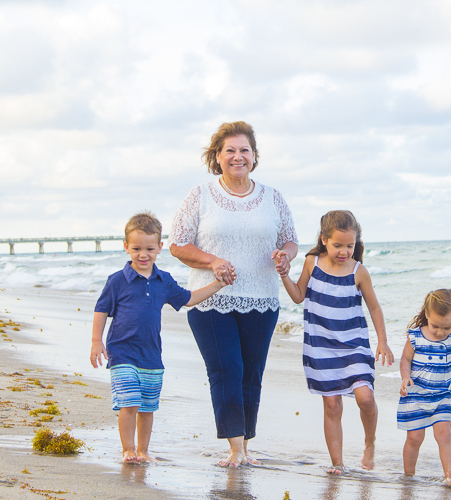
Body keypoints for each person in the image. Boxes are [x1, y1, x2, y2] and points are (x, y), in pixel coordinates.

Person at [169, 121, 298, 468]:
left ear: (254, 156)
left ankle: (245, 447)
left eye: (244, 150)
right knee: (226, 368)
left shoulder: (272, 197)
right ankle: (234, 449)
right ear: (217, 157)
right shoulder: (201, 195)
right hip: (210, 299)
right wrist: (212, 261)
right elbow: (177, 245)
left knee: (251, 373)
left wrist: (285, 255)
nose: (238, 156)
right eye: (230, 150)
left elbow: (290, 239)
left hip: (262, 298)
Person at [90, 211, 226, 464]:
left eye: (150, 249)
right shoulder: (117, 281)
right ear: (126, 247)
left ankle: (143, 451)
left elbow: (189, 299)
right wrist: (96, 341)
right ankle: (127, 450)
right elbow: (101, 310)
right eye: (137, 248)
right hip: (122, 353)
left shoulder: (164, 281)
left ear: (160, 247)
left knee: (147, 407)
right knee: (129, 403)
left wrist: (218, 285)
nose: (143, 254)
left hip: (151, 356)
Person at [279, 210, 394, 473]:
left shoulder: (359, 271)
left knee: (365, 397)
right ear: (324, 240)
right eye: (338, 245)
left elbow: (375, 308)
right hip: (321, 346)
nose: (344, 252)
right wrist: (284, 275)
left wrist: (382, 342)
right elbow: (298, 296)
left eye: (350, 246)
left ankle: (369, 443)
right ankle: (338, 464)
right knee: (331, 404)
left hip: (354, 345)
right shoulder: (312, 262)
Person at [397, 289, 451, 488]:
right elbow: (405, 359)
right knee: (414, 438)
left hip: (442, 397)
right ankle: (408, 476)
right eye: (435, 326)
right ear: (427, 314)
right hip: (416, 395)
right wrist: (404, 378)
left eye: (446, 327)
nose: (440, 332)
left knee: (444, 435)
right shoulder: (416, 337)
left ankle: (450, 477)